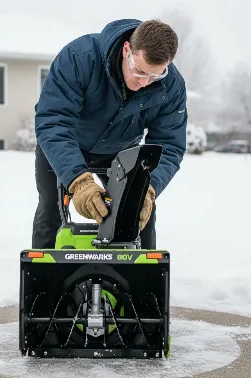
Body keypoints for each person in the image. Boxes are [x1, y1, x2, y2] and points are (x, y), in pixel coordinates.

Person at [32, 18, 188, 250]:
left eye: (155, 76)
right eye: (139, 71)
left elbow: (169, 145)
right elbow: (53, 121)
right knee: (51, 211)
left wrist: (148, 188)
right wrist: (79, 181)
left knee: (138, 212)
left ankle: (138, 281)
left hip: (121, 151)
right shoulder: (79, 58)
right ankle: (43, 281)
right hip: (66, 144)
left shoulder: (172, 86)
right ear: (127, 49)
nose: (144, 82)